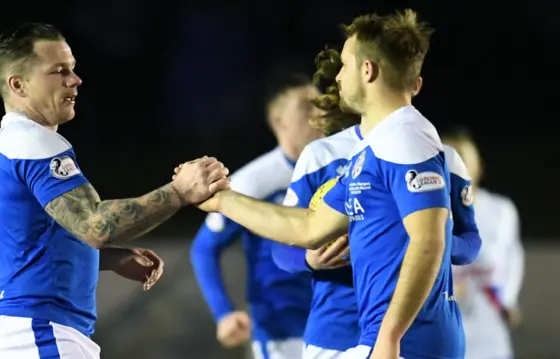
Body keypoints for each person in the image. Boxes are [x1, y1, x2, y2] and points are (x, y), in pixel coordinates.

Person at [190, 9, 465, 359]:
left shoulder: (406, 136)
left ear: (368, 71)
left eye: (346, 64)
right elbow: (309, 226)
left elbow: (428, 240)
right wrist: (220, 201)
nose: (337, 76)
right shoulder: (373, 148)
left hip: (404, 343)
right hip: (366, 337)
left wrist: (389, 337)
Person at [0, 23, 229, 359]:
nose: (75, 80)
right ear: (18, 85)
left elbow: (28, 250)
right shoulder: (32, 141)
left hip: (28, 332)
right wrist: (180, 192)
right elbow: (96, 226)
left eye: (73, 69)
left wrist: (107, 259)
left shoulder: (7, 147)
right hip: (38, 332)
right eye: (59, 71)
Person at [269, 48, 481, 359]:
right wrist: (310, 259)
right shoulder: (321, 156)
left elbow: (471, 242)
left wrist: (424, 238)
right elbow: (282, 248)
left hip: (414, 332)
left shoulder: (442, 158)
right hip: (336, 332)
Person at [189, 72, 324, 358]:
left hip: (340, 323)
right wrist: (223, 312)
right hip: (282, 331)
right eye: (306, 107)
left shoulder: (339, 168)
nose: (319, 112)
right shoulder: (253, 181)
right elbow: (204, 247)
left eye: (321, 103)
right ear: (279, 121)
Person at [443, 128, 524, 359]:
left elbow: (513, 258)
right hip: (443, 334)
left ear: (478, 165)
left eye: (464, 159)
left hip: (489, 335)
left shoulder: (500, 210)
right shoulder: (423, 216)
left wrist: (508, 300)